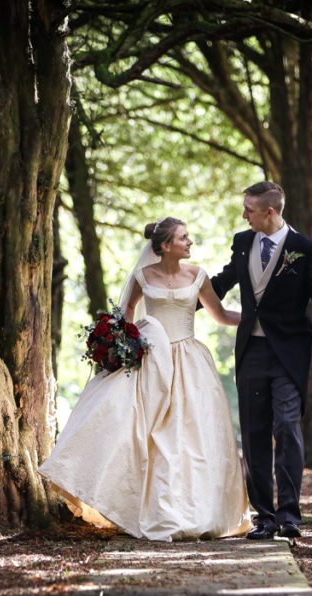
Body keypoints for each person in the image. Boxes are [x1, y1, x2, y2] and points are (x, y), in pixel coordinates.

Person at [38, 217, 252, 542]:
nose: (190, 242)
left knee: (191, 437)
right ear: (166, 246)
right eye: (184, 237)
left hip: (190, 363)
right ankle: (152, 510)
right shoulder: (143, 276)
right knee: (152, 436)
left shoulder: (198, 276)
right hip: (152, 360)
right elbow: (124, 316)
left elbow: (220, 315)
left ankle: (200, 513)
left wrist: (259, 318)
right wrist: (114, 344)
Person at [209, 181, 312, 540]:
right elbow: (220, 284)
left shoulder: (304, 249)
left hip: (288, 357)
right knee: (253, 436)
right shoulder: (242, 243)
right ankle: (264, 518)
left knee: (286, 427)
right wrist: (176, 299)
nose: (244, 215)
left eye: (249, 209)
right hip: (251, 354)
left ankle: (290, 516)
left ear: (270, 212)